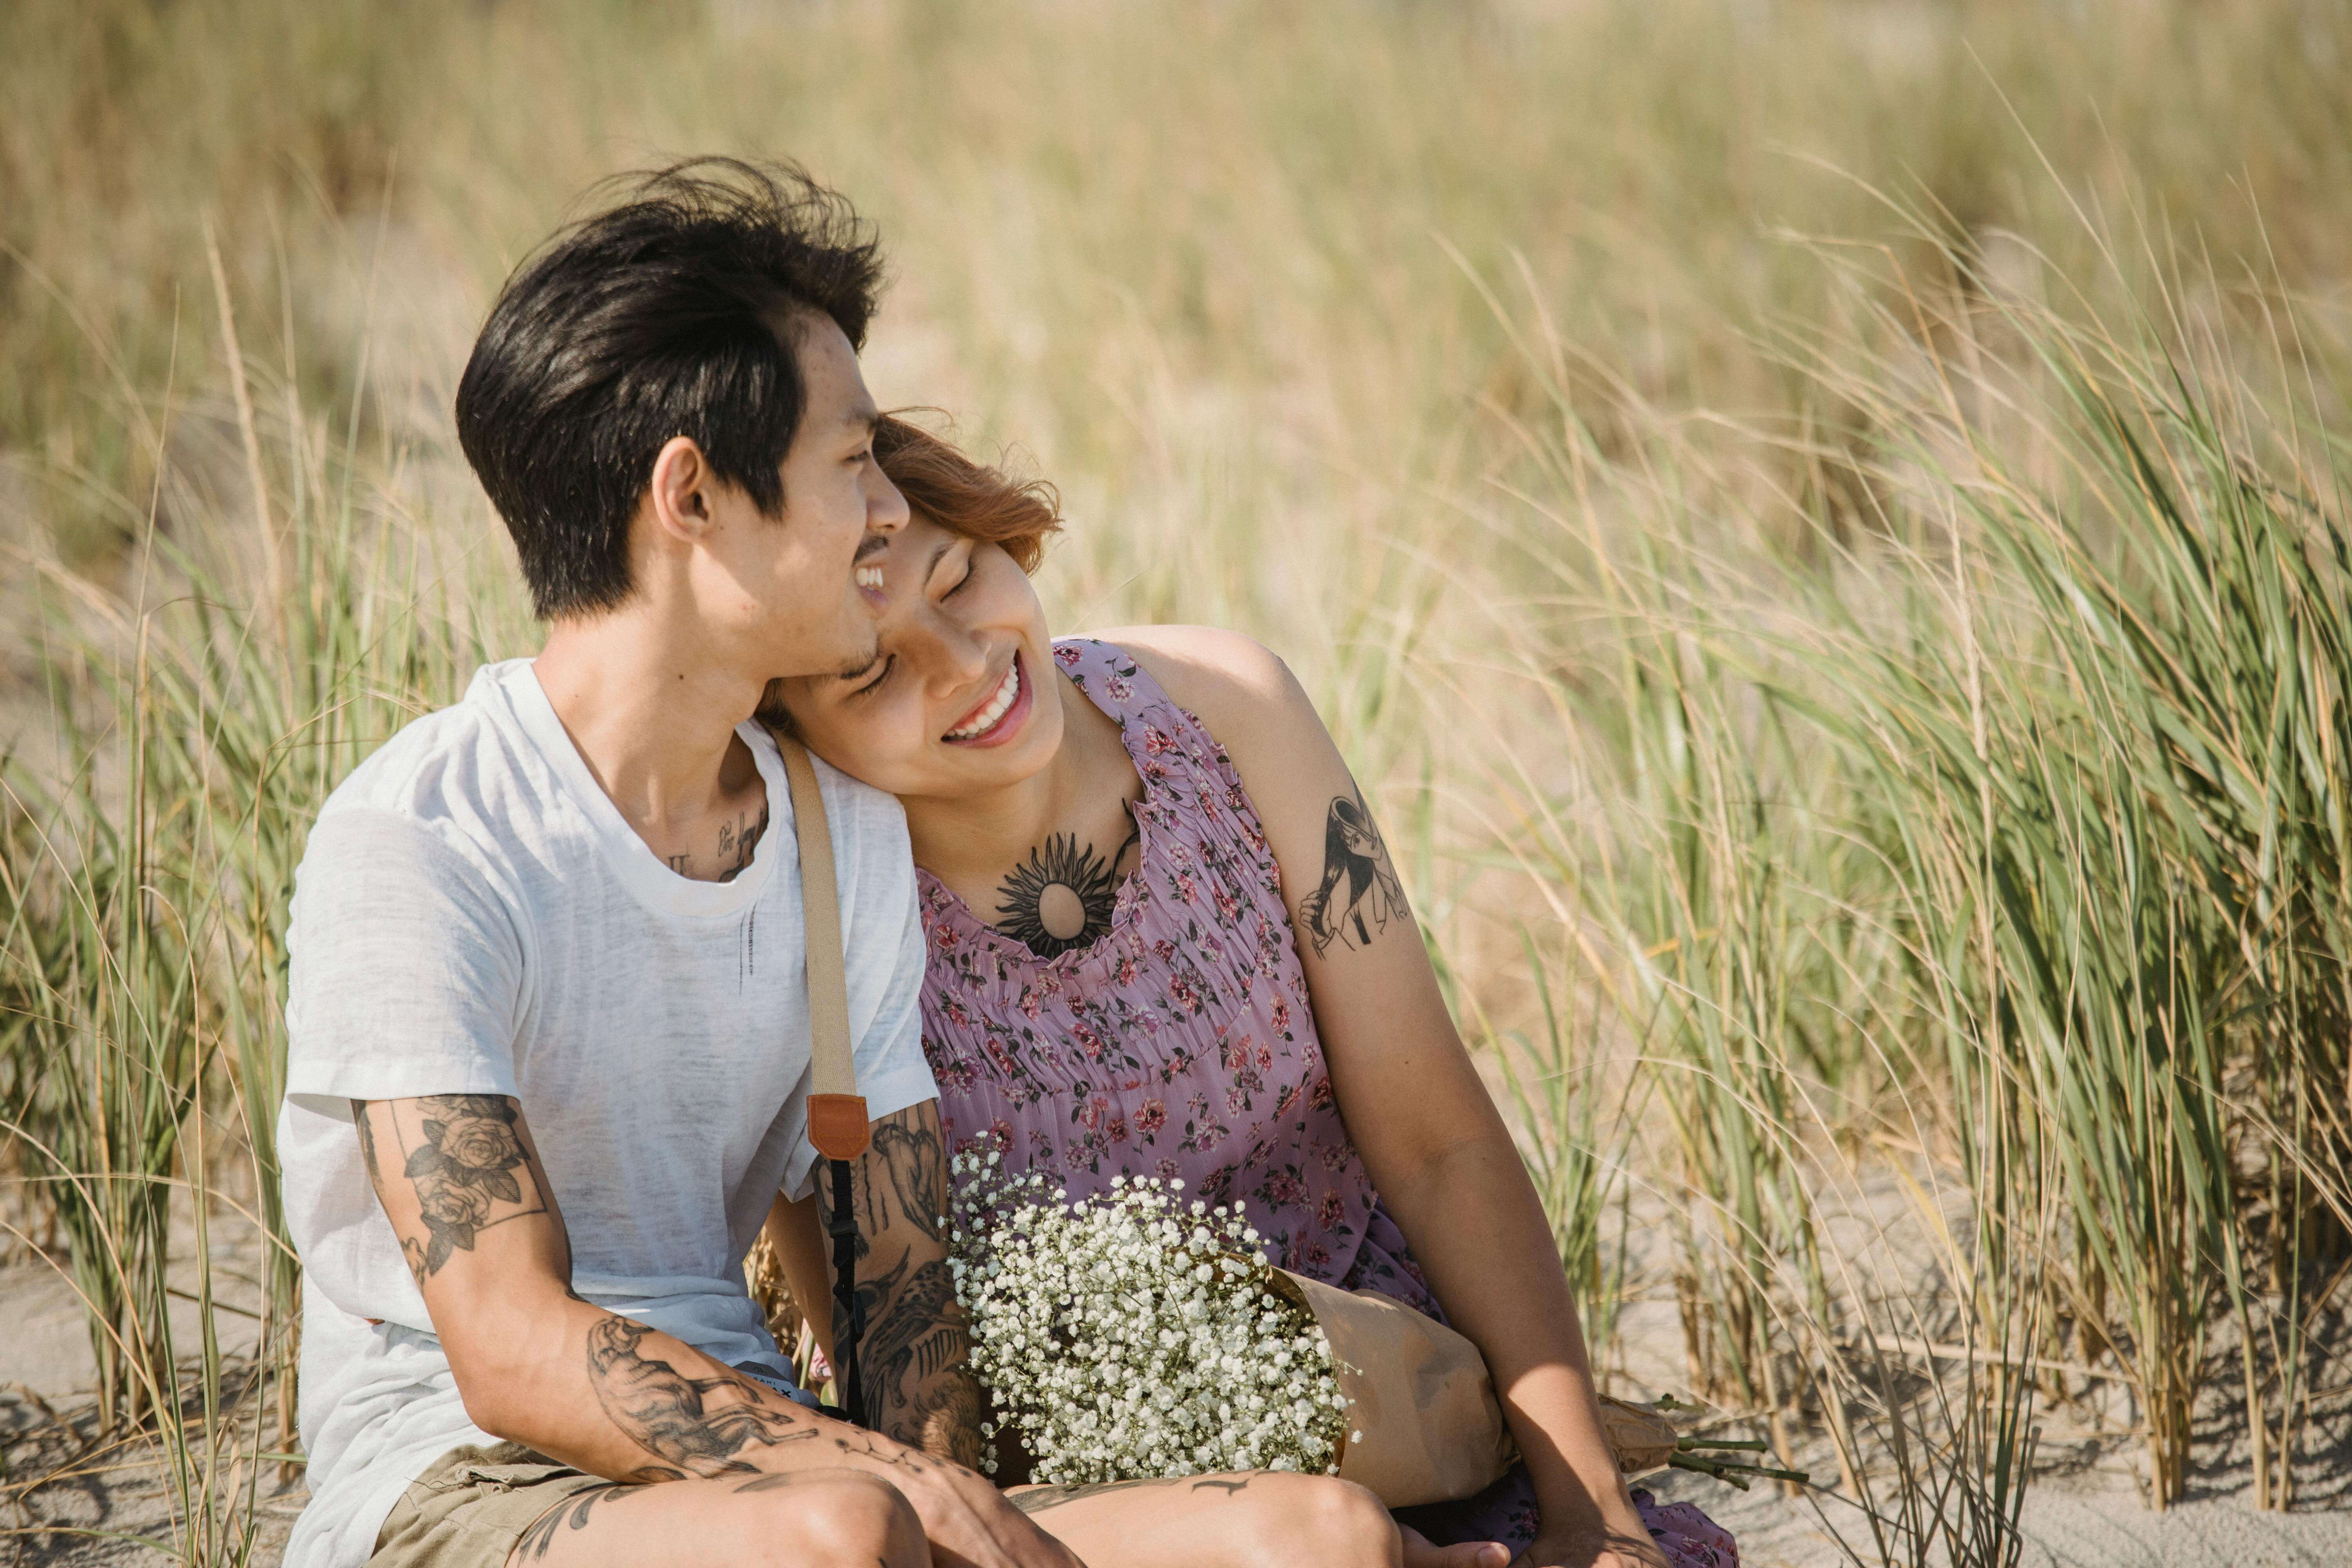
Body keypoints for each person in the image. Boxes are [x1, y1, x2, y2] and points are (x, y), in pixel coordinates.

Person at [281, 158, 1506, 1568]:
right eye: (850, 459)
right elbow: (507, 1347)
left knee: (1326, 1537)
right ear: (692, 498)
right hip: (475, 1483)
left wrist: (953, 1507)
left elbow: (906, 1332)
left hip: (800, 1470)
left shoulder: (832, 830)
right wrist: (891, 1493)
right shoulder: (424, 836)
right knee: (841, 1537)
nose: (887, 511)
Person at [762, 419, 1741, 1568]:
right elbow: (897, 1384)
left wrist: (1594, 1517)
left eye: (960, 575)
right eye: (874, 669)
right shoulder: (810, 906)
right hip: (1072, 1501)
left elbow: (1436, 1144)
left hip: (1406, 1403)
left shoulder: (1225, 708)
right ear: (787, 726)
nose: (965, 662)